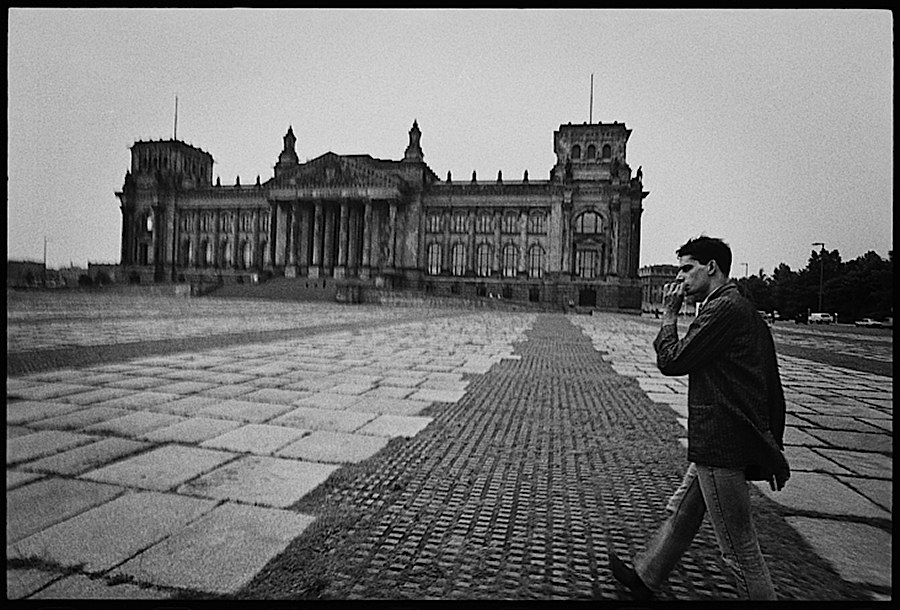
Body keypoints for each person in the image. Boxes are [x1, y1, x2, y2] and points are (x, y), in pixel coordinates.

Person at [608, 235, 790, 601]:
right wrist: (770, 440)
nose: (682, 279)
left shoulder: (723, 309)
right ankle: (646, 578)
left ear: (711, 268)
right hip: (722, 438)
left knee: (740, 549)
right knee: (683, 515)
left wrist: (669, 315)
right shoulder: (741, 307)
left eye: (687, 269)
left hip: (721, 442)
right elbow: (773, 383)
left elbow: (673, 360)